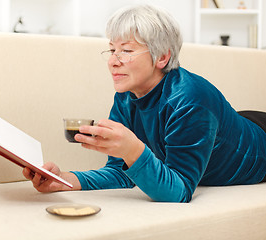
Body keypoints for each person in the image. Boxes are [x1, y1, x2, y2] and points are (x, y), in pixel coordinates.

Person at [23, 4, 266, 202]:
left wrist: (131, 149)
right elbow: (121, 172)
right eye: (111, 50)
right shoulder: (127, 95)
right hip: (236, 125)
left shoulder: (191, 99)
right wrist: (65, 180)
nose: (113, 61)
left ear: (162, 57)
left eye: (126, 51)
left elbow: (179, 192)